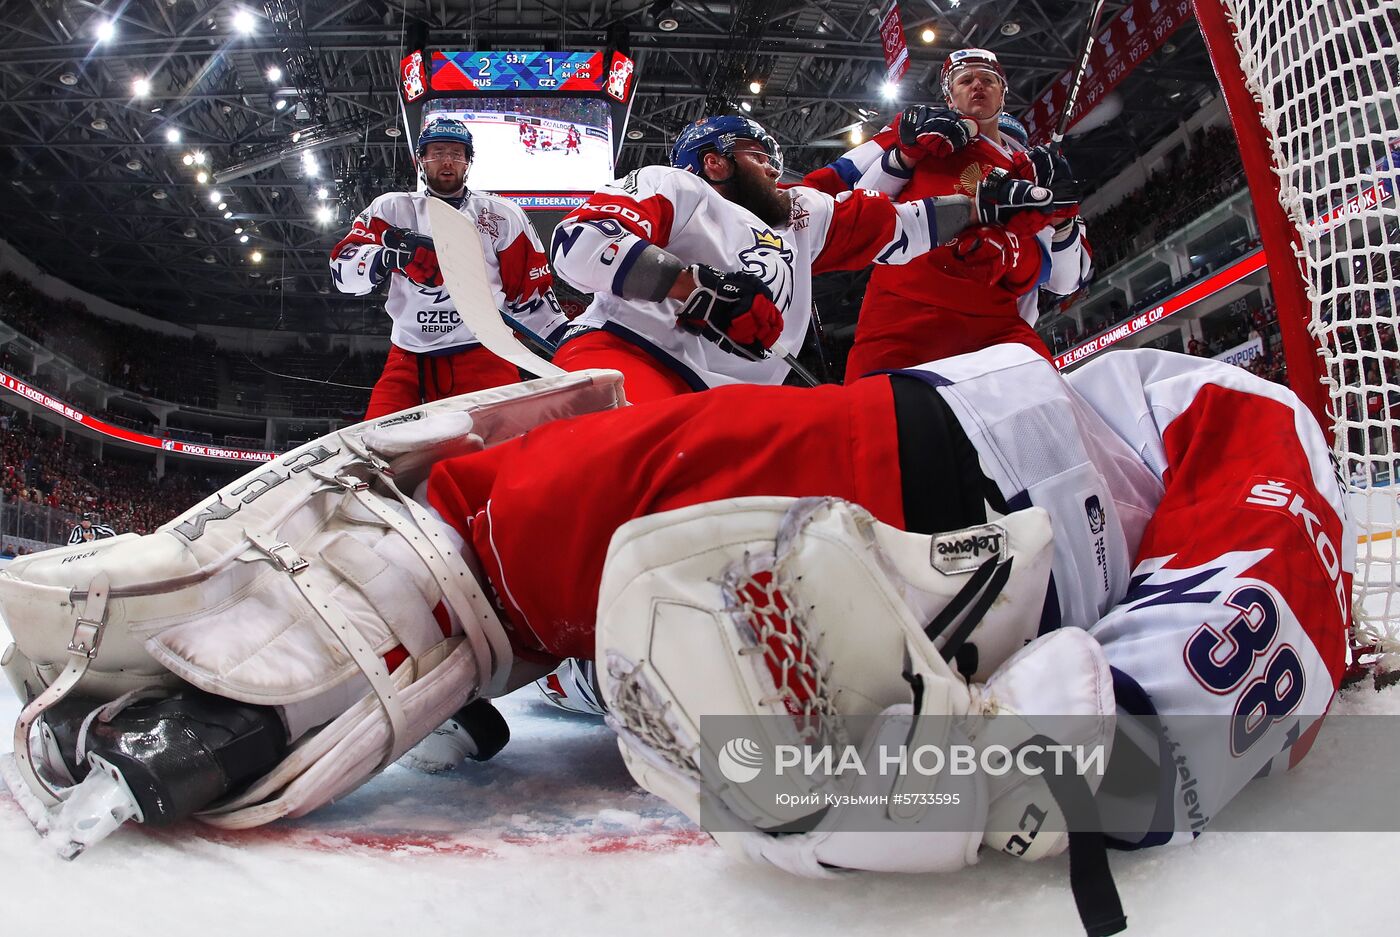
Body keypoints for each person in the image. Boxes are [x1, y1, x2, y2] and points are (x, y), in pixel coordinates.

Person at [3, 343, 1347, 934]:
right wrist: (1048, 760)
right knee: (611, 557)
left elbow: (1270, 579)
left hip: (976, 474)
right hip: (963, 548)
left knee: (549, 502)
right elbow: (1265, 617)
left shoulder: (1194, 406)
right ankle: (442, 600)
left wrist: (1056, 760)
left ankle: (402, 593)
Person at [547, 114, 1062, 404]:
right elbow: (579, 242)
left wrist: (979, 206)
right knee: (623, 451)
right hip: (632, 356)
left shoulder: (802, 213)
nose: (776, 167)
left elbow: (900, 228)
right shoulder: (674, 185)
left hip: (737, 399)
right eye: (759, 155)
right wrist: (694, 287)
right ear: (715, 161)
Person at [804, 49, 1093, 380]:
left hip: (993, 330)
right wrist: (905, 156)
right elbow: (862, 206)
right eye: (966, 80)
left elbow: (1062, 280)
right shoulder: (929, 134)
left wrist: (1061, 219)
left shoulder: (1035, 173)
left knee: (1044, 416)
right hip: (904, 315)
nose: (977, 86)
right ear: (949, 95)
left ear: (1003, 93)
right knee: (878, 418)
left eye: (987, 80)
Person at [330, 116, 568, 419]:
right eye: (437, 152)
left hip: (484, 351)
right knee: (379, 450)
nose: (447, 161)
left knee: (494, 456)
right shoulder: (391, 209)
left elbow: (531, 295)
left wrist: (568, 343)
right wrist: (387, 258)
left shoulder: (501, 216)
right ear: (421, 160)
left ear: (468, 162)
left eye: (456, 154)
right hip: (408, 357)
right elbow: (343, 270)